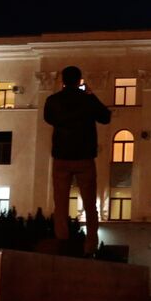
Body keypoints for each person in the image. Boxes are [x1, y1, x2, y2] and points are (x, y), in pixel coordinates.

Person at [43, 66, 111, 255]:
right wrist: (90, 94)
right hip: (84, 158)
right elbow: (106, 117)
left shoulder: (53, 101)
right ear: (79, 80)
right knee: (90, 204)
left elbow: (48, 118)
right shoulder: (87, 100)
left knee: (61, 202)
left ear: (63, 80)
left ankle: (62, 239)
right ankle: (91, 243)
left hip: (62, 158)